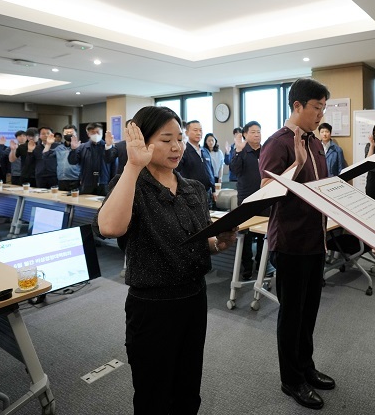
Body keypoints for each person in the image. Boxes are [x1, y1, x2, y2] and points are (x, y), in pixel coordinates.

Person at [95, 106, 235, 414]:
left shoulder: (193, 189)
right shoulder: (131, 183)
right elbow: (109, 227)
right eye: (166, 139)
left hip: (195, 300)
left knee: (188, 387)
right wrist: (133, 166)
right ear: (144, 143)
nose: (177, 147)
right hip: (153, 307)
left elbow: (199, 242)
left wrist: (217, 243)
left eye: (181, 138)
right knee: (153, 393)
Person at [259, 77, 334, 410]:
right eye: (316, 107)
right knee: (292, 314)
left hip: (316, 239)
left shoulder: (316, 142)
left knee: (309, 312)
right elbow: (266, 193)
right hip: (289, 242)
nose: (320, 115)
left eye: (323, 108)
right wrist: (298, 164)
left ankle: (306, 367)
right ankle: (291, 379)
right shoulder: (279, 143)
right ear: (297, 106)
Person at [230, 121, 265, 280]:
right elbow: (234, 170)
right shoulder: (241, 151)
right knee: (246, 234)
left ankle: (262, 265)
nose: (257, 134)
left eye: (258, 131)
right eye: (253, 132)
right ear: (245, 134)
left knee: (263, 234)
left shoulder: (266, 150)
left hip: (265, 197)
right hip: (247, 199)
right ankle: (247, 268)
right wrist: (237, 150)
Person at [68, 122, 117, 195]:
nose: (96, 134)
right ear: (88, 134)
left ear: (102, 133)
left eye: (98, 132)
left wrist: (109, 147)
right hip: (87, 183)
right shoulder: (82, 147)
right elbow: (72, 161)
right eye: (93, 132)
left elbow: (114, 165)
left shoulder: (108, 147)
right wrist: (73, 150)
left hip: (104, 184)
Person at [176, 120, 215, 205]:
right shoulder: (184, 150)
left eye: (200, 130)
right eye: (195, 130)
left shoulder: (205, 151)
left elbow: (211, 171)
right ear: (186, 132)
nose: (198, 133)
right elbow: (177, 169)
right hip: (191, 193)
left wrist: (214, 190)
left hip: (207, 192)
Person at [43, 124, 81, 191]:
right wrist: (48, 144)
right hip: (61, 179)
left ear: (76, 134)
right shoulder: (59, 148)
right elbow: (45, 155)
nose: (68, 134)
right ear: (63, 134)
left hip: (76, 179)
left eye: (71, 133)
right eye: (66, 133)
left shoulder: (81, 147)